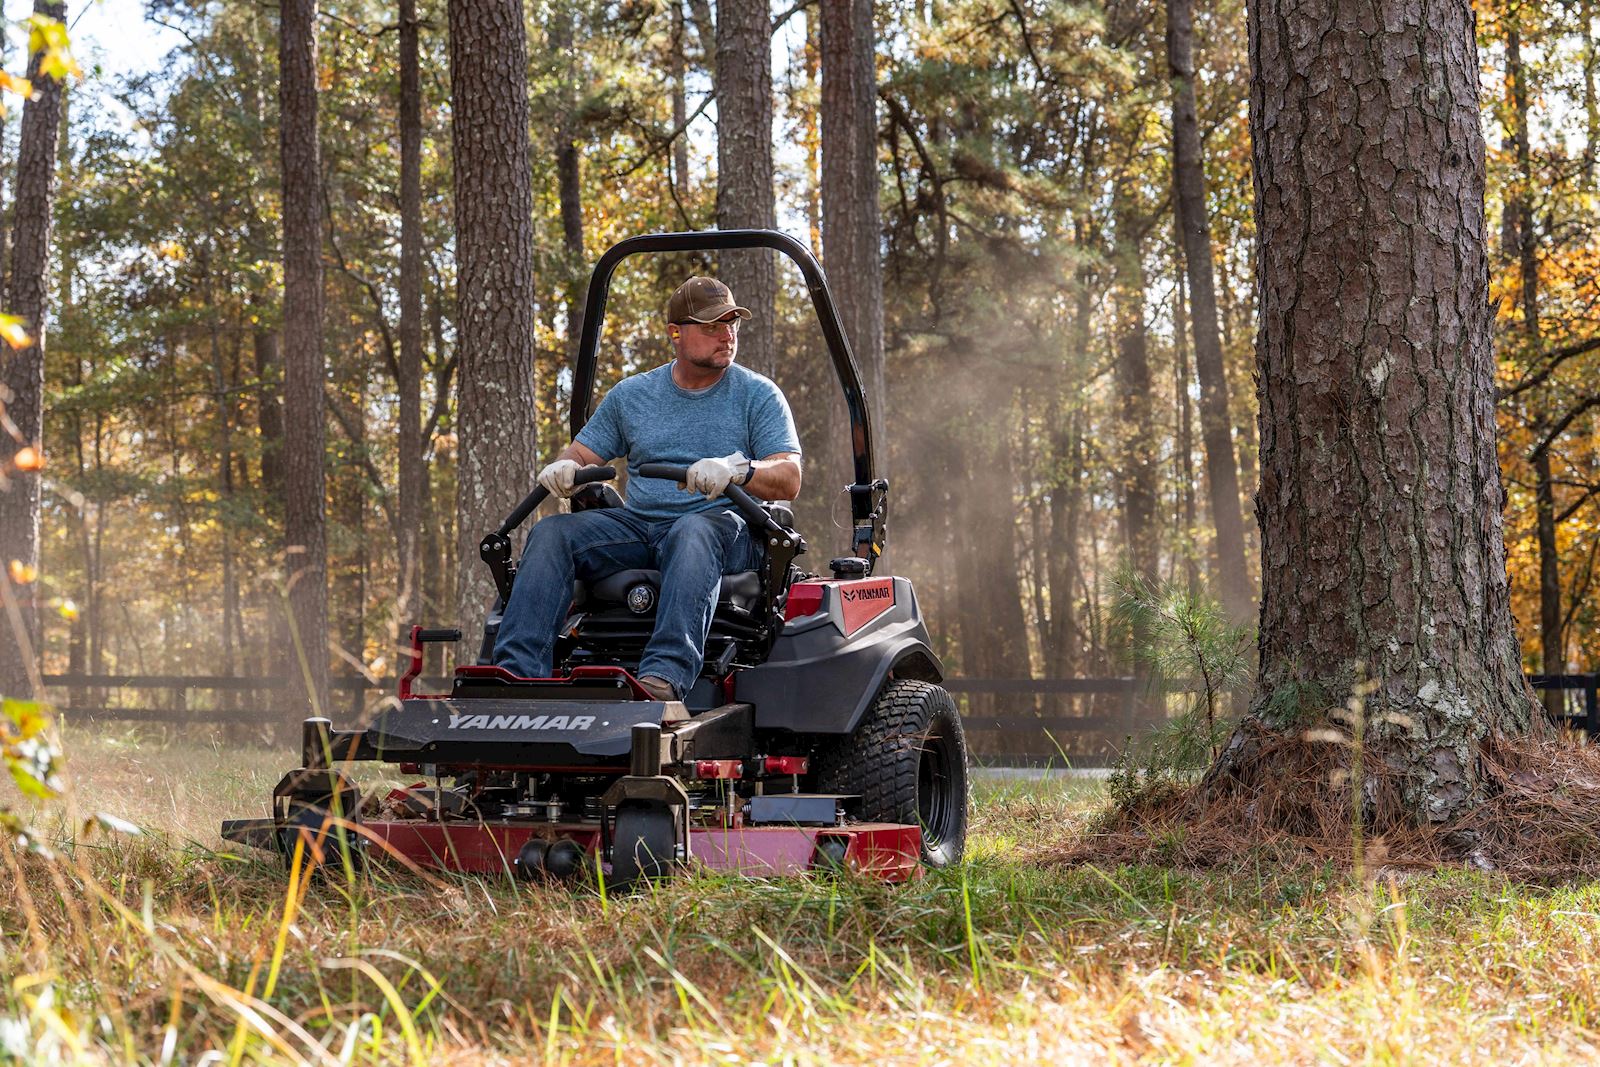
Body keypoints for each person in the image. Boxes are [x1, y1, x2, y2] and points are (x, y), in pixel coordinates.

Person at [492, 276, 803, 701]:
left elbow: (789, 476)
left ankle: (663, 680)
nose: (727, 334)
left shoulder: (757, 394)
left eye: (732, 323)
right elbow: (582, 455)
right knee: (552, 533)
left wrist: (737, 469)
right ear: (675, 333)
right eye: (712, 325)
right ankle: (515, 677)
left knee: (691, 531)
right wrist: (564, 468)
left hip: (724, 532)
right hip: (641, 526)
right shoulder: (633, 396)